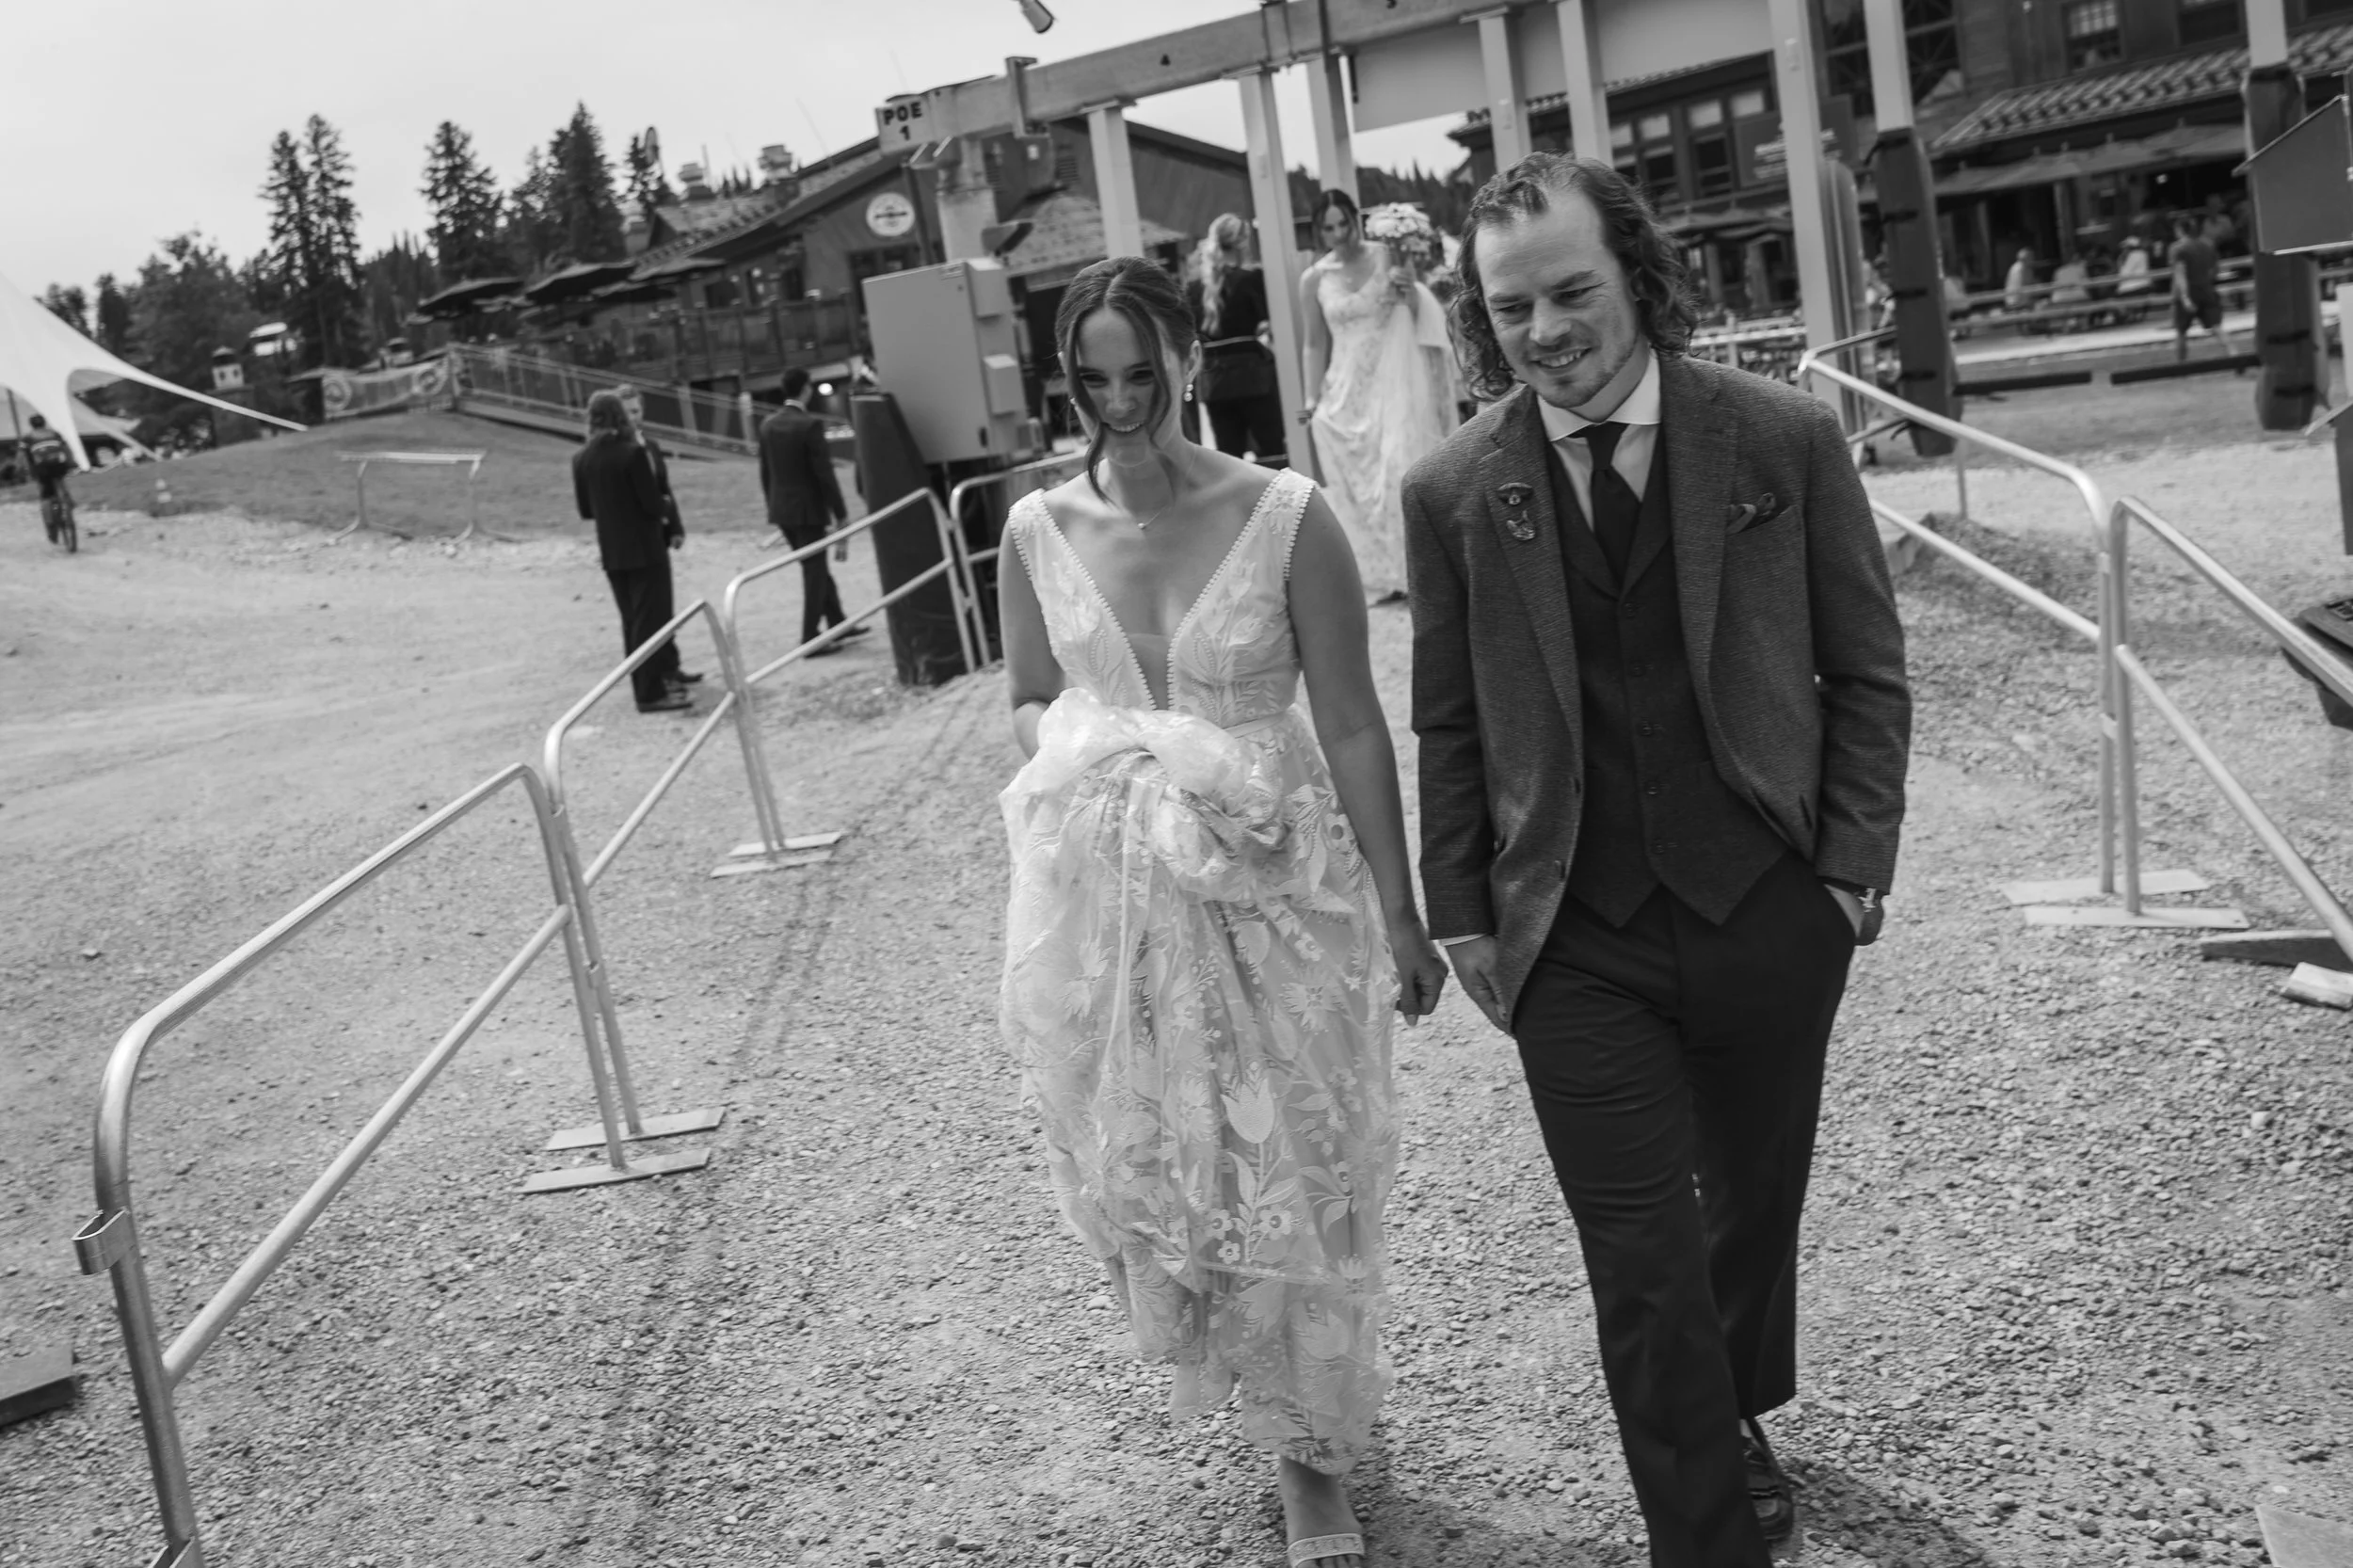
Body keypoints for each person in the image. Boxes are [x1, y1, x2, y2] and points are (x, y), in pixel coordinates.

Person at [1401, 153, 1911, 1566]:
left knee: (1751, 1201)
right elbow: (1447, 720)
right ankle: (1705, 1537)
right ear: (1480, 318)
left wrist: (1849, 874)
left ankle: (1734, 1397)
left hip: (1765, 898)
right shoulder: (1451, 487)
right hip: (1572, 930)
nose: (1549, 329)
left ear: (1635, 271)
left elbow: (1866, 670)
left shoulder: (1780, 439)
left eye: (1572, 291)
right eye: (1514, 309)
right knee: (1641, 1260)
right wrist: (1464, 918)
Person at [996, 256, 1449, 1568]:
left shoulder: (1289, 515)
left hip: (1277, 879)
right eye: (1094, 378)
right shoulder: (1034, 530)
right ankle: (1270, 1394)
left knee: (1303, 1155)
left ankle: (1316, 1459)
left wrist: (1407, 912)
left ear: (1193, 356)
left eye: (1144, 372)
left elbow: (1357, 723)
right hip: (1117, 891)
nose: (1121, 401)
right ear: (1068, 377)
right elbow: (1026, 698)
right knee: (1174, 1159)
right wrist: (1113, 740)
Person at [1299, 189, 1453, 604]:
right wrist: (1311, 398)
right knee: (1355, 480)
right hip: (1345, 386)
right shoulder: (1314, 278)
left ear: (1356, 219)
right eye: (1328, 227)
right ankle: (1381, 573)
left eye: (1343, 223)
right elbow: (1313, 343)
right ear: (1319, 230)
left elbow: (1418, 308)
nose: (1338, 234)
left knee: (1399, 467)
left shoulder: (1389, 254)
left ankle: (1417, 568)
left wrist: (1410, 290)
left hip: (1393, 377)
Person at [571, 390, 690, 714]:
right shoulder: (632, 454)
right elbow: (652, 504)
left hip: (612, 549)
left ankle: (645, 683)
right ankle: (650, 693)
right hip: (646, 547)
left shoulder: (581, 458)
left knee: (631, 622)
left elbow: (586, 510)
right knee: (650, 621)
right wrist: (665, 505)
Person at [757, 367, 865, 656]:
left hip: (783, 511)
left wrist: (773, 508)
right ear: (806, 389)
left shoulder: (768, 425)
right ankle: (809, 635)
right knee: (814, 571)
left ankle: (838, 620)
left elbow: (766, 473)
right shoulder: (809, 425)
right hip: (808, 510)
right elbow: (824, 475)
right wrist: (840, 512)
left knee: (815, 567)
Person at [1186, 213, 1287, 465]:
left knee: (1229, 459)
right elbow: (1268, 324)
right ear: (1243, 243)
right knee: (1274, 451)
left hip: (1214, 382)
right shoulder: (1251, 279)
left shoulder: (1194, 288)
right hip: (1253, 378)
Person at [617, 387, 702, 687]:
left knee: (664, 607)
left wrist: (675, 527)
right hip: (637, 541)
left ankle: (670, 664)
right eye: (628, 411)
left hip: (658, 535)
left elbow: (664, 489)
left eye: (637, 410)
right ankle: (653, 674)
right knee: (647, 612)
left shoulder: (650, 447)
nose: (634, 417)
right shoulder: (620, 451)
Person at [2169, 214, 2238, 362]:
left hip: (2186, 292)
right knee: (2217, 327)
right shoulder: (2207, 245)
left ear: (2180, 230)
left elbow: (2180, 273)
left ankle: (2181, 366)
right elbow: (2215, 270)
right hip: (2206, 290)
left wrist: (2185, 297)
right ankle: (2234, 354)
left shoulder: (2178, 249)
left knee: (2181, 331)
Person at [21, 414, 74, 544]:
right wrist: (70, 462)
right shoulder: (55, 433)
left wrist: (29, 471)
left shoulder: (27, 438)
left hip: (42, 468)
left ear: (31, 425)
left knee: (46, 495)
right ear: (44, 423)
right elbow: (66, 449)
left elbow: (24, 456)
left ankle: (51, 525)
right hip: (59, 465)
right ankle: (67, 501)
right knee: (60, 479)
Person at [2113, 233, 2154, 322]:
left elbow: (2124, 274)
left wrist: (2120, 262)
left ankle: (2129, 315)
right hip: (2145, 284)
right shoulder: (2144, 253)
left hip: (2133, 287)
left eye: (2125, 247)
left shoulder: (2132, 255)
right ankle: (2135, 314)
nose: (2123, 249)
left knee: (2116, 295)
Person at [2003, 246, 2037, 316]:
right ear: (2026, 258)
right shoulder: (2019, 269)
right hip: (2017, 303)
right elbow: (2023, 285)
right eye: (2031, 257)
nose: (2033, 259)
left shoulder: (2024, 268)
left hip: (2020, 302)